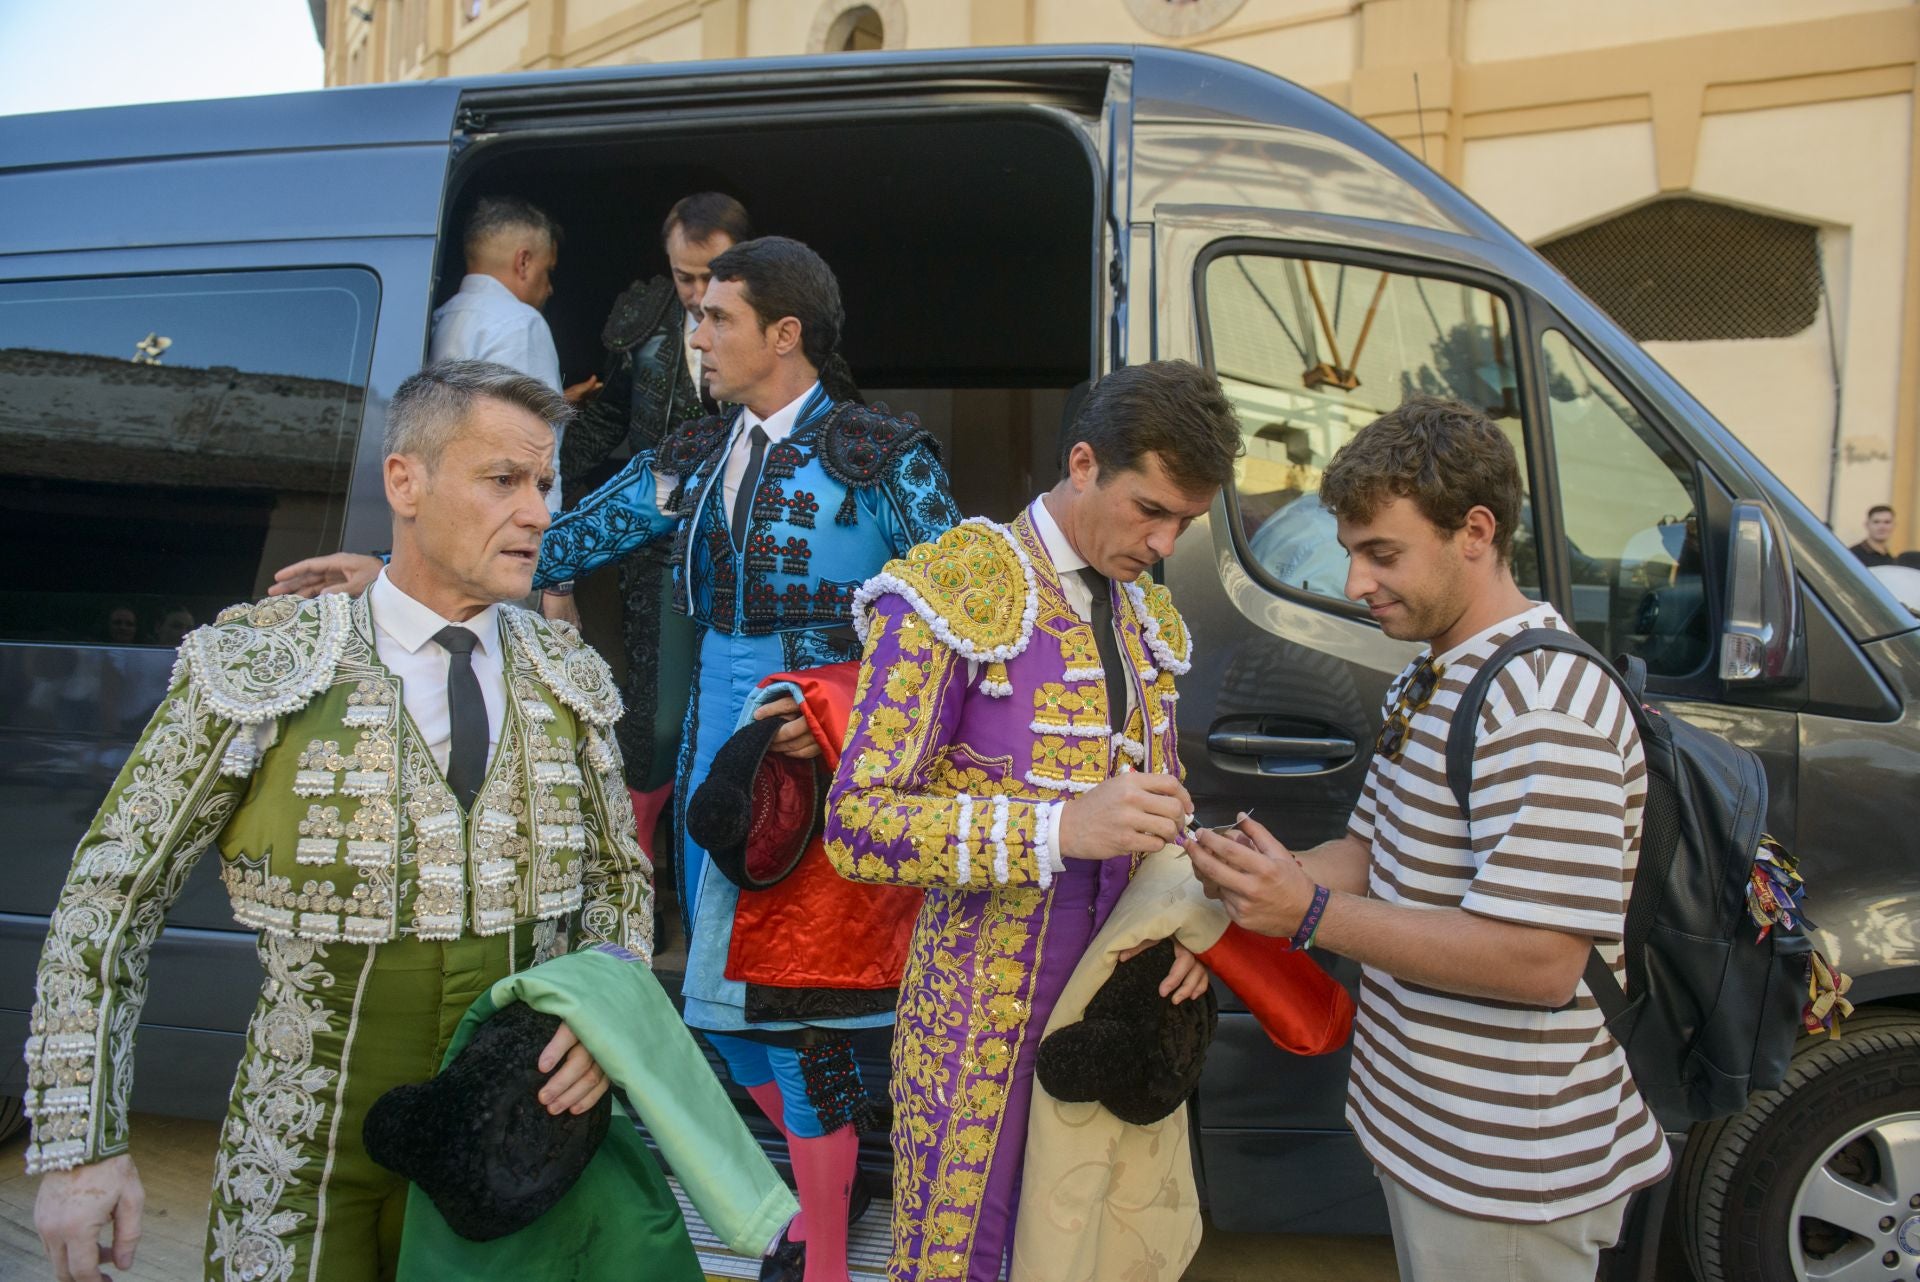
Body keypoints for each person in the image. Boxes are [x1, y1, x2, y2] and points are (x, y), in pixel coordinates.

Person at [266, 237, 961, 1282]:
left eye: (717, 319)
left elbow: (958, 622)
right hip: (711, 748)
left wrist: (852, 713)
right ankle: (822, 1189)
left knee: (794, 1012)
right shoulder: (689, 457)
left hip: (817, 755)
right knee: (723, 1016)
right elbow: (560, 542)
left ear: (785, 334)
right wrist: (388, 566)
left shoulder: (880, 453)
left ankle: (817, 1251)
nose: (695, 336)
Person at [26, 360, 652, 1282]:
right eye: (503, 480)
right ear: (406, 481)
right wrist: (81, 1145)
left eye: (545, 484)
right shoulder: (265, 662)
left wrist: (605, 1019)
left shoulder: (566, 669)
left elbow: (618, 885)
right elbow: (109, 899)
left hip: (515, 1142)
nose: (537, 513)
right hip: (303, 1146)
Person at [1187, 396, 1670, 1282]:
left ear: (1475, 532)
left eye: (1383, 554)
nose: (1355, 584)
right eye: (1351, 553)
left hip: (1507, 1168)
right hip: (1435, 1131)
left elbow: (1539, 960)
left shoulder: (1545, 705)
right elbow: (1374, 847)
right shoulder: (1436, 670)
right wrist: (1260, 874)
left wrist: (1308, 913)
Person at [822, 359, 1243, 1282]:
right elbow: (855, 824)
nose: (1164, 542)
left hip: (1110, 1005)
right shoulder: (951, 588)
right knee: (969, 1256)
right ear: (1084, 463)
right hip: (978, 1023)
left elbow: (1157, 808)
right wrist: (1056, 831)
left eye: (1185, 523)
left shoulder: (1148, 615)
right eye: (1151, 509)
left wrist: (1184, 919)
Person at [550, 192, 754, 843]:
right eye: (683, 275)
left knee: (735, 712)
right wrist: (547, 471)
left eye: (710, 276)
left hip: (752, 560)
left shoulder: (784, 323)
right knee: (658, 723)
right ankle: (638, 882)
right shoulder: (644, 318)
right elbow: (612, 415)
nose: (695, 293)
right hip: (656, 546)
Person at [430, 196, 600, 515]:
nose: (549, 288)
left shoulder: (442, 317)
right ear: (523, 262)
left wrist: (559, 402)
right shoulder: (520, 323)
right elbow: (529, 448)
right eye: (548, 271)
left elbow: (472, 417)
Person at [1851, 503, 1898, 567]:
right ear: (1867, 525)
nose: (1882, 527)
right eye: (1876, 522)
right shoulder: (1852, 555)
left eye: (1887, 522)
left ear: (1894, 526)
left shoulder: (1891, 559)